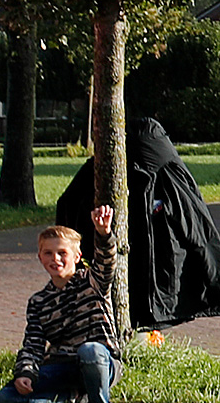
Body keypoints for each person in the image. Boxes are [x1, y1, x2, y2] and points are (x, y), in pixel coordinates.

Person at [59, 117, 220, 329]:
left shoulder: (100, 172)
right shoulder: (172, 175)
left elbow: (67, 205)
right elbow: (199, 228)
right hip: (164, 285)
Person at [0, 208, 130, 403]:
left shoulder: (92, 281)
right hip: (62, 366)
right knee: (6, 396)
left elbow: (107, 261)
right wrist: (25, 373)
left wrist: (103, 233)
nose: (55, 259)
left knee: (90, 350)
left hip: (99, 362)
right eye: (48, 253)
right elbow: (33, 344)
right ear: (40, 257)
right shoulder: (39, 301)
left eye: (62, 253)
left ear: (77, 256)